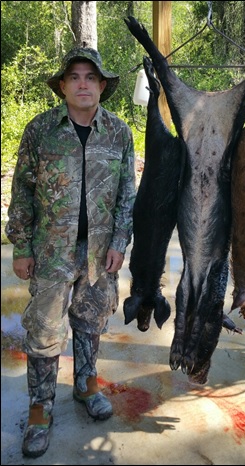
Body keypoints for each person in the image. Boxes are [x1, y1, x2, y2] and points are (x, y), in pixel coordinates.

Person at [5, 47, 136, 458]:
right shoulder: (40, 130)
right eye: (75, 77)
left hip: (99, 254)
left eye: (91, 77)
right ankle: (41, 407)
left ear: (101, 86)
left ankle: (85, 384)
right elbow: (23, 193)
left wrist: (119, 242)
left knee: (91, 320)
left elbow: (127, 195)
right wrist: (21, 247)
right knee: (44, 331)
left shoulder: (119, 133)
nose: (83, 83)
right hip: (50, 250)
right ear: (62, 86)